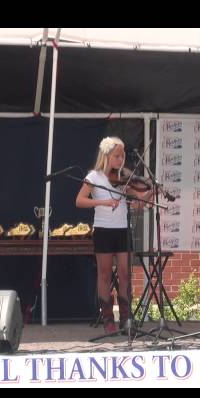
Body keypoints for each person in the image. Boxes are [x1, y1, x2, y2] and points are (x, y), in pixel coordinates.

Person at [76, 137, 153, 334]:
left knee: (126, 274)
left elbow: (137, 205)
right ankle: (108, 319)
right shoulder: (94, 177)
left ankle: (126, 320)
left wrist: (150, 193)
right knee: (104, 274)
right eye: (117, 156)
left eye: (123, 156)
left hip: (122, 229)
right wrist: (102, 203)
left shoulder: (123, 179)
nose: (121, 160)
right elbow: (80, 201)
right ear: (107, 156)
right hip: (103, 230)